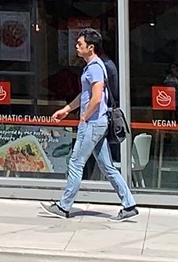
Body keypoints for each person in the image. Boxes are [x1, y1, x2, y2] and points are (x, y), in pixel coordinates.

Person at [40, 29, 138, 222]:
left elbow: (96, 97)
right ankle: (129, 205)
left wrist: (84, 116)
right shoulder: (94, 66)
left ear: (90, 47)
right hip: (96, 123)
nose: (76, 47)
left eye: (80, 44)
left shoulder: (94, 67)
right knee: (107, 166)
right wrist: (67, 109)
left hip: (92, 124)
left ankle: (64, 206)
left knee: (76, 163)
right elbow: (84, 96)